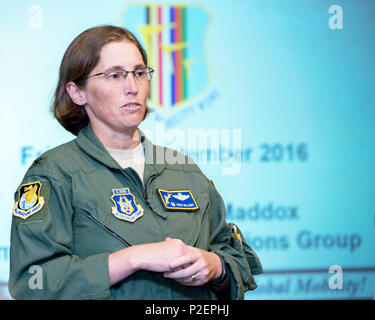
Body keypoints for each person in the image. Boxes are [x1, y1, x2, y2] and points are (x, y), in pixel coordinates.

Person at [9, 25, 262, 300]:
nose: (133, 88)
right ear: (77, 92)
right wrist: (133, 258)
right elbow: (31, 283)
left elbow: (236, 262)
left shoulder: (183, 169)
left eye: (140, 73)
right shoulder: (54, 173)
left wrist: (216, 267)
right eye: (114, 75)